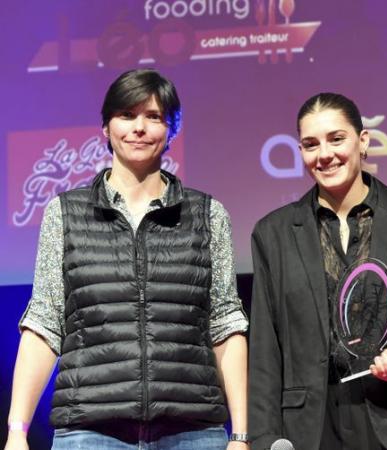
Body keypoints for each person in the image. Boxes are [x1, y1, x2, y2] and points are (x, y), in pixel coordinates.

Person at [4, 69, 249, 450]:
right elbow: (44, 322)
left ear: (172, 129)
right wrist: (17, 431)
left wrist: (241, 435)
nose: (139, 128)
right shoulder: (65, 213)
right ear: (106, 126)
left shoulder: (207, 214)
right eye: (127, 115)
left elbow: (224, 323)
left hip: (191, 431)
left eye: (154, 117)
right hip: (90, 431)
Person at [248, 93, 387, 450]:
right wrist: (264, 437)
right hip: (312, 427)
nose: (324, 154)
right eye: (310, 144)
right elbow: (266, 349)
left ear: (363, 142)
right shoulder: (273, 233)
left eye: (336, 138)